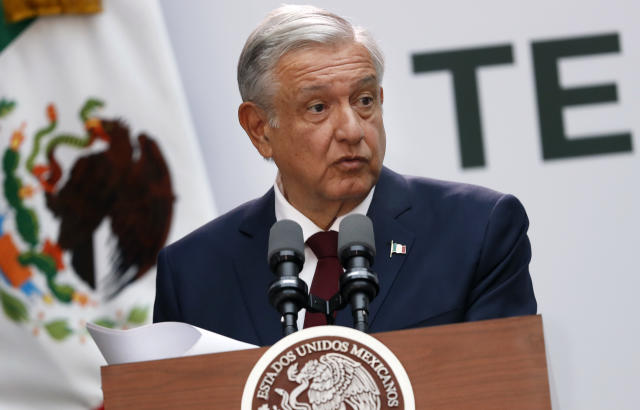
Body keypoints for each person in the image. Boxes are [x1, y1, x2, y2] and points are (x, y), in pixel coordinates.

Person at [153, 5, 536, 346]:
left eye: (364, 100)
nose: (352, 130)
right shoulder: (193, 273)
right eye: (318, 107)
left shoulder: (476, 231)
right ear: (259, 128)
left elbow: (503, 389)